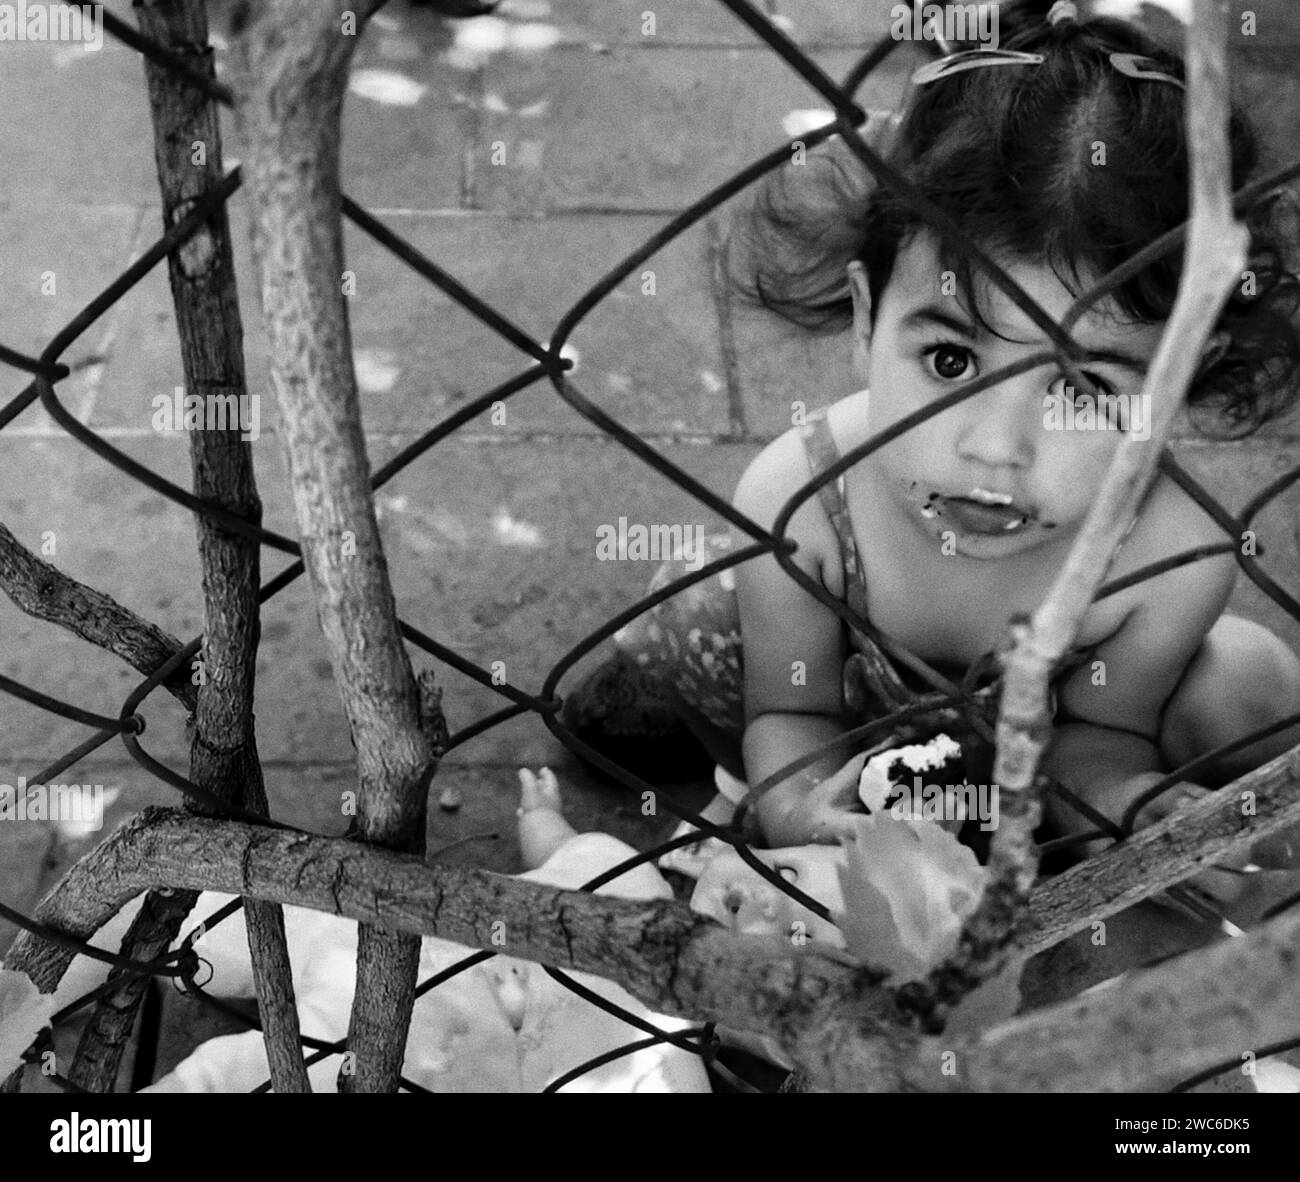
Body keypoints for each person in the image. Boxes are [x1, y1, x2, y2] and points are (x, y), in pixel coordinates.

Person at [563, 0, 1300, 887]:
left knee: (1251, 677)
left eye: (1084, 388)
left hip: (1026, 743)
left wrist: (1130, 808)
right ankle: (672, 709)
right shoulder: (804, 497)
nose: (997, 446)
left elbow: (1102, 732)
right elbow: (791, 704)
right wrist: (796, 802)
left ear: (1178, 372)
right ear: (869, 317)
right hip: (839, 706)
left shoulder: (1176, 554)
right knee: (691, 603)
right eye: (951, 359)